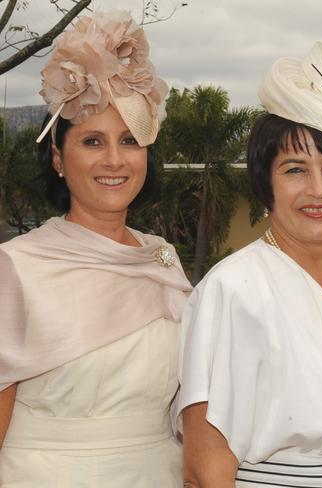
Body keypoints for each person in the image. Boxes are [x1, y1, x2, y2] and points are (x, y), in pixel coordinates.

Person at [177, 27, 322, 488]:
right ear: (266, 183)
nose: (319, 190)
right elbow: (206, 463)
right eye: (295, 170)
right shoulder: (232, 288)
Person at [0, 10, 192, 487]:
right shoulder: (15, 267)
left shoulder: (162, 258)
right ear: (60, 160)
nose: (114, 160)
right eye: (92, 141)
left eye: (130, 140)